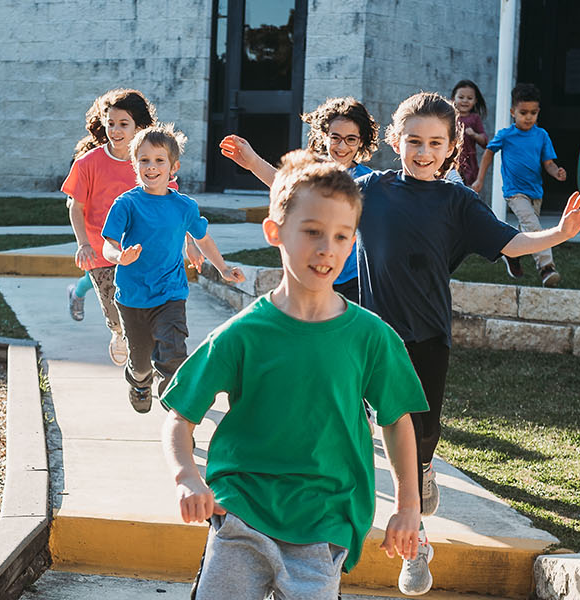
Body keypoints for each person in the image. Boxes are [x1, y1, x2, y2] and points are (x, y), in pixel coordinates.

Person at [161, 151, 428, 599]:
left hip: (327, 519)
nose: (327, 248)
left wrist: (407, 508)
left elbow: (397, 420)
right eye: (311, 232)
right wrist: (187, 475)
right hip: (243, 509)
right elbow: (179, 416)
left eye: (342, 236)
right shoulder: (241, 335)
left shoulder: (372, 337)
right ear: (275, 232)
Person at [357, 92, 580, 527]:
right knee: (391, 423)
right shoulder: (371, 190)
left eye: (435, 143)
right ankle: (410, 526)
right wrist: (254, 163)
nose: (424, 152)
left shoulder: (458, 203)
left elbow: (511, 242)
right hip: (374, 333)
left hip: (429, 333)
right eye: (414, 141)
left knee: (424, 433)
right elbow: (302, 193)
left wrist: (558, 234)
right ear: (396, 141)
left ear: (452, 147)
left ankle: (424, 469)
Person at [101, 123, 245, 413]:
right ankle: (139, 381)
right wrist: (119, 256)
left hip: (171, 294)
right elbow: (108, 244)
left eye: (158, 160)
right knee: (141, 362)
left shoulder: (184, 206)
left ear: (173, 166)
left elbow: (203, 238)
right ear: (134, 164)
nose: (151, 167)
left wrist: (223, 268)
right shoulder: (126, 204)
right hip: (132, 296)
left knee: (174, 356)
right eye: (144, 160)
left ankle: (179, 416)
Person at [218, 97, 379, 301]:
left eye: (351, 139)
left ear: (361, 141)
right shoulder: (311, 172)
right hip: (311, 269)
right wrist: (253, 162)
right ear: (323, 136)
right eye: (335, 137)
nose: (342, 146)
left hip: (353, 279)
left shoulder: (368, 181)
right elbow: (283, 184)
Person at [61, 88, 173, 366]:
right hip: (102, 251)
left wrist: (186, 242)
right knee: (115, 311)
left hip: (143, 251)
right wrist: (83, 243)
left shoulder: (150, 162)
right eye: (110, 123)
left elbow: (171, 203)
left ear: (140, 126)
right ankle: (118, 334)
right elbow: (75, 206)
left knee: (147, 309)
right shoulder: (88, 163)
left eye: (123, 124)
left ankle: (144, 353)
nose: (115, 130)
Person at [472, 83, 569, 286]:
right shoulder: (506, 135)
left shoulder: (541, 135)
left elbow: (548, 163)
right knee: (535, 228)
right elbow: (488, 153)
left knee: (526, 230)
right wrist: (480, 179)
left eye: (533, 113)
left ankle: (511, 253)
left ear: (538, 112)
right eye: (523, 112)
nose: (528, 117)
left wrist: (557, 172)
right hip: (514, 192)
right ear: (512, 112)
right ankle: (546, 268)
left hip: (535, 192)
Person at [451, 80, 489, 188]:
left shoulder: (474, 118)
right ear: (453, 98)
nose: (465, 101)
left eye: (469, 98)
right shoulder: (450, 116)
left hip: (469, 162)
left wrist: (474, 135)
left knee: (468, 189)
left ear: (475, 101)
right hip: (452, 159)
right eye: (461, 97)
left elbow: (485, 142)